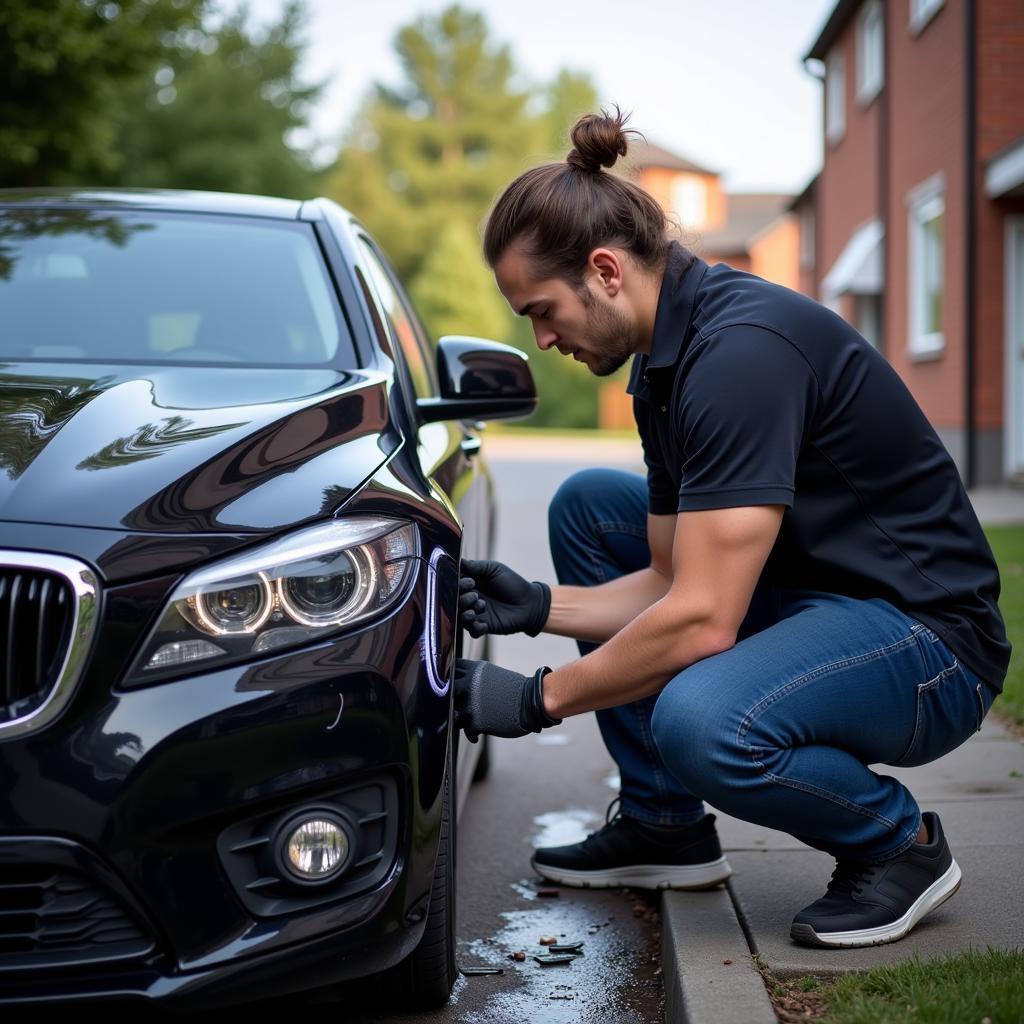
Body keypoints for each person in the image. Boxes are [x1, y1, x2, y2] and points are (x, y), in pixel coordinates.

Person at [453, 108, 1010, 949]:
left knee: (702, 720)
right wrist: (539, 605)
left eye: (542, 309)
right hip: (814, 603)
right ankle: (663, 825)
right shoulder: (665, 367)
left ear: (605, 270)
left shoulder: (740, 354)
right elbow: (671, 579)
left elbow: (703, 617)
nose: (541, 338)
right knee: (590, 506)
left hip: (928, 645)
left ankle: (899, 847)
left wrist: (536, 701)